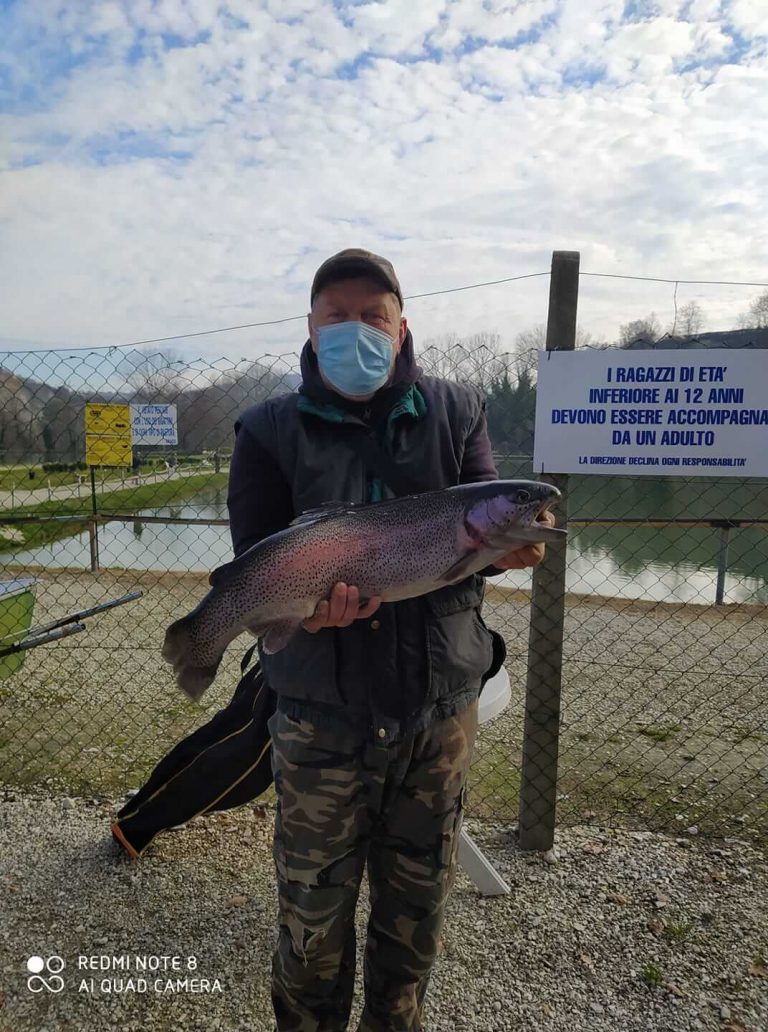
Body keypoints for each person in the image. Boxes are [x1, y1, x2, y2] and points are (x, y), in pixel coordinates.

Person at [227, 248, 553, 1032]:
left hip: (435, 712)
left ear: (402, 325)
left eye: (373, 316)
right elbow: (256, 557)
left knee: (413, 926)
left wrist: (514, 546)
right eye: (336, 316)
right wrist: (304, 614)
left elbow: (485, 541)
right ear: (309, 326)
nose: (355, 329)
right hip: (318, 715)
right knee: (311, 931)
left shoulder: (457, 407)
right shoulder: (266, 427)